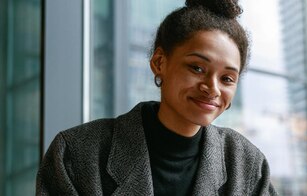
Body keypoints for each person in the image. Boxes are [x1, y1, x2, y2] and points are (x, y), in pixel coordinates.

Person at [36, 0, 277, 195]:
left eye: (227, 78)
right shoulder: (77, 154)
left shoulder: (247, 165)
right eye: (197, 68)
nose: (211, 88)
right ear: (159, 62)